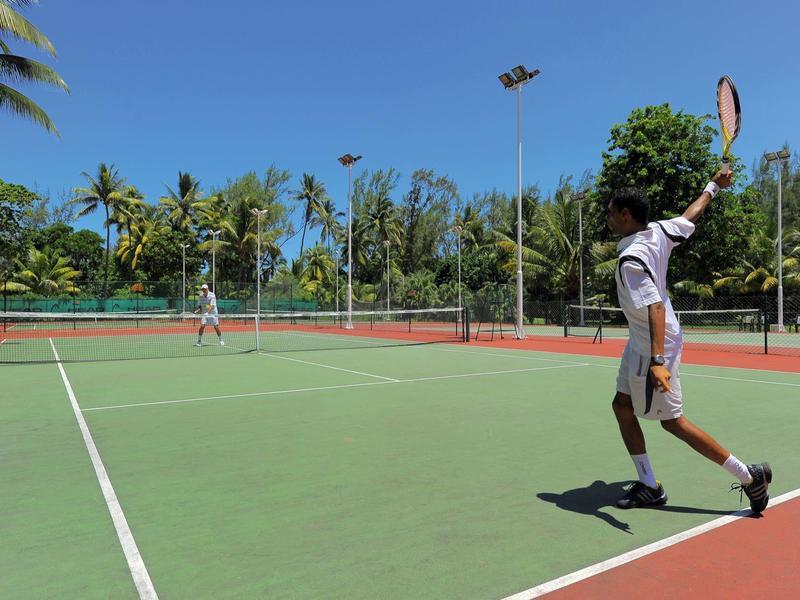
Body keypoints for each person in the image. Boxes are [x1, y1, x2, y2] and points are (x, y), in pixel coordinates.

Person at [607, 172, 771, 514]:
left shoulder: (631, 260)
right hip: (643, 340)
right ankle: (649, 484)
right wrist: (713, 185)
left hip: (655, 342)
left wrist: (656, 361)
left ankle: (749, 477)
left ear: (626, 214)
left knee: (673, 422)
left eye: (611, 211)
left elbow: (654, 305)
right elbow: (690, 215)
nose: (607, 217)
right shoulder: (659, 230)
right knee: (622, 406)